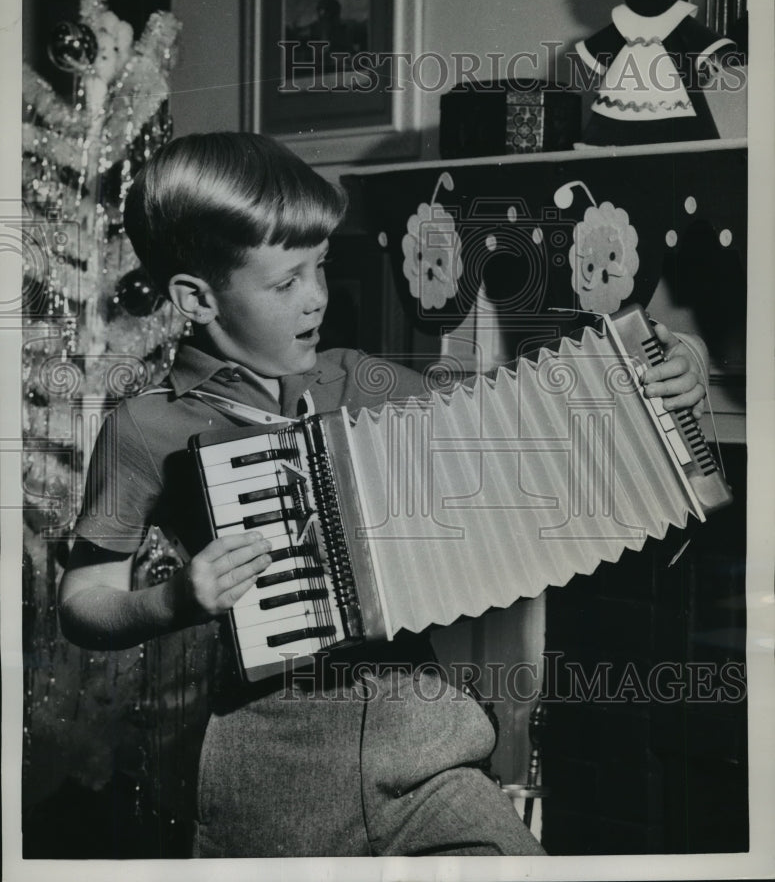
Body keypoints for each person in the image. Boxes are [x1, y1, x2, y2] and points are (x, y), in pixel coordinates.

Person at [58, 132, 708, 858]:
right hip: (275, 764)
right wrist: (172, 601)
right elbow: (83, 599)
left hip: (427, 738)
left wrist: (660, 375)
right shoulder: (146, 426)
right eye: (285, 283)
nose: (316, 298)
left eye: (321, 268)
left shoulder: (360, 377)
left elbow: (521, 422)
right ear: (196, 298)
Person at [575, 0, 736, 146]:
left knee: (683, 132)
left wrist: (712, 60)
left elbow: (699, 39)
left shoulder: (678, 15)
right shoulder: (625, 15)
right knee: (615, 117)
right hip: (626, 80)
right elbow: (604, 43)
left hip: (672, 83)